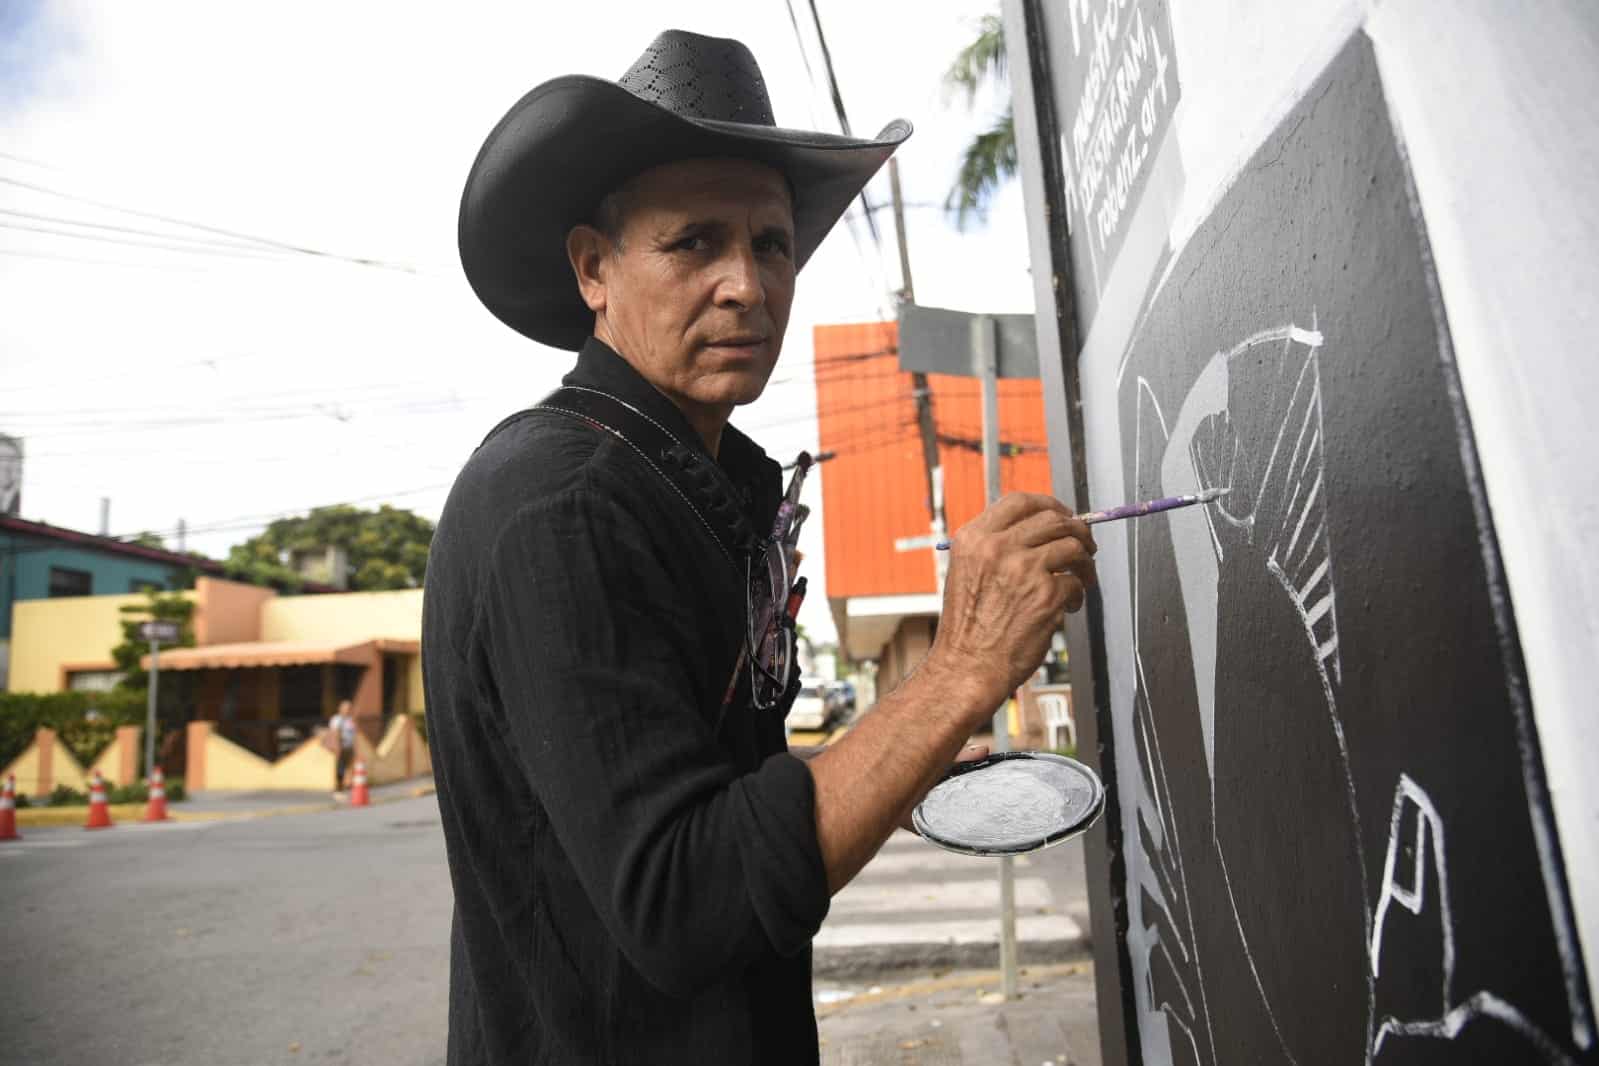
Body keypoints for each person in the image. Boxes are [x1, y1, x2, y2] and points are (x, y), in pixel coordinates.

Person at [425, 30, 1097, 1065]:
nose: (747, 283)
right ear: (592, 269)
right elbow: (686, 902)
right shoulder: (562, 501)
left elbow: (714, 796)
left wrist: (889, 759)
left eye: (772, 244)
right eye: (695, 242)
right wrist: (961, 669)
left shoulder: (697, 484)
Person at [328, 700, 356, 797]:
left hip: (349, 746)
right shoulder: (337, 719)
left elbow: (353, 733)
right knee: (340, 767)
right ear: (341, 709)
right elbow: (335, 733)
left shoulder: (350, 720)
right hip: (341, 746)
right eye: (346, 708)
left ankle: (346, 785)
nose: (348, 710)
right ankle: (338, 787)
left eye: (349, 708)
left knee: (349, 767)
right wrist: (337, 746)